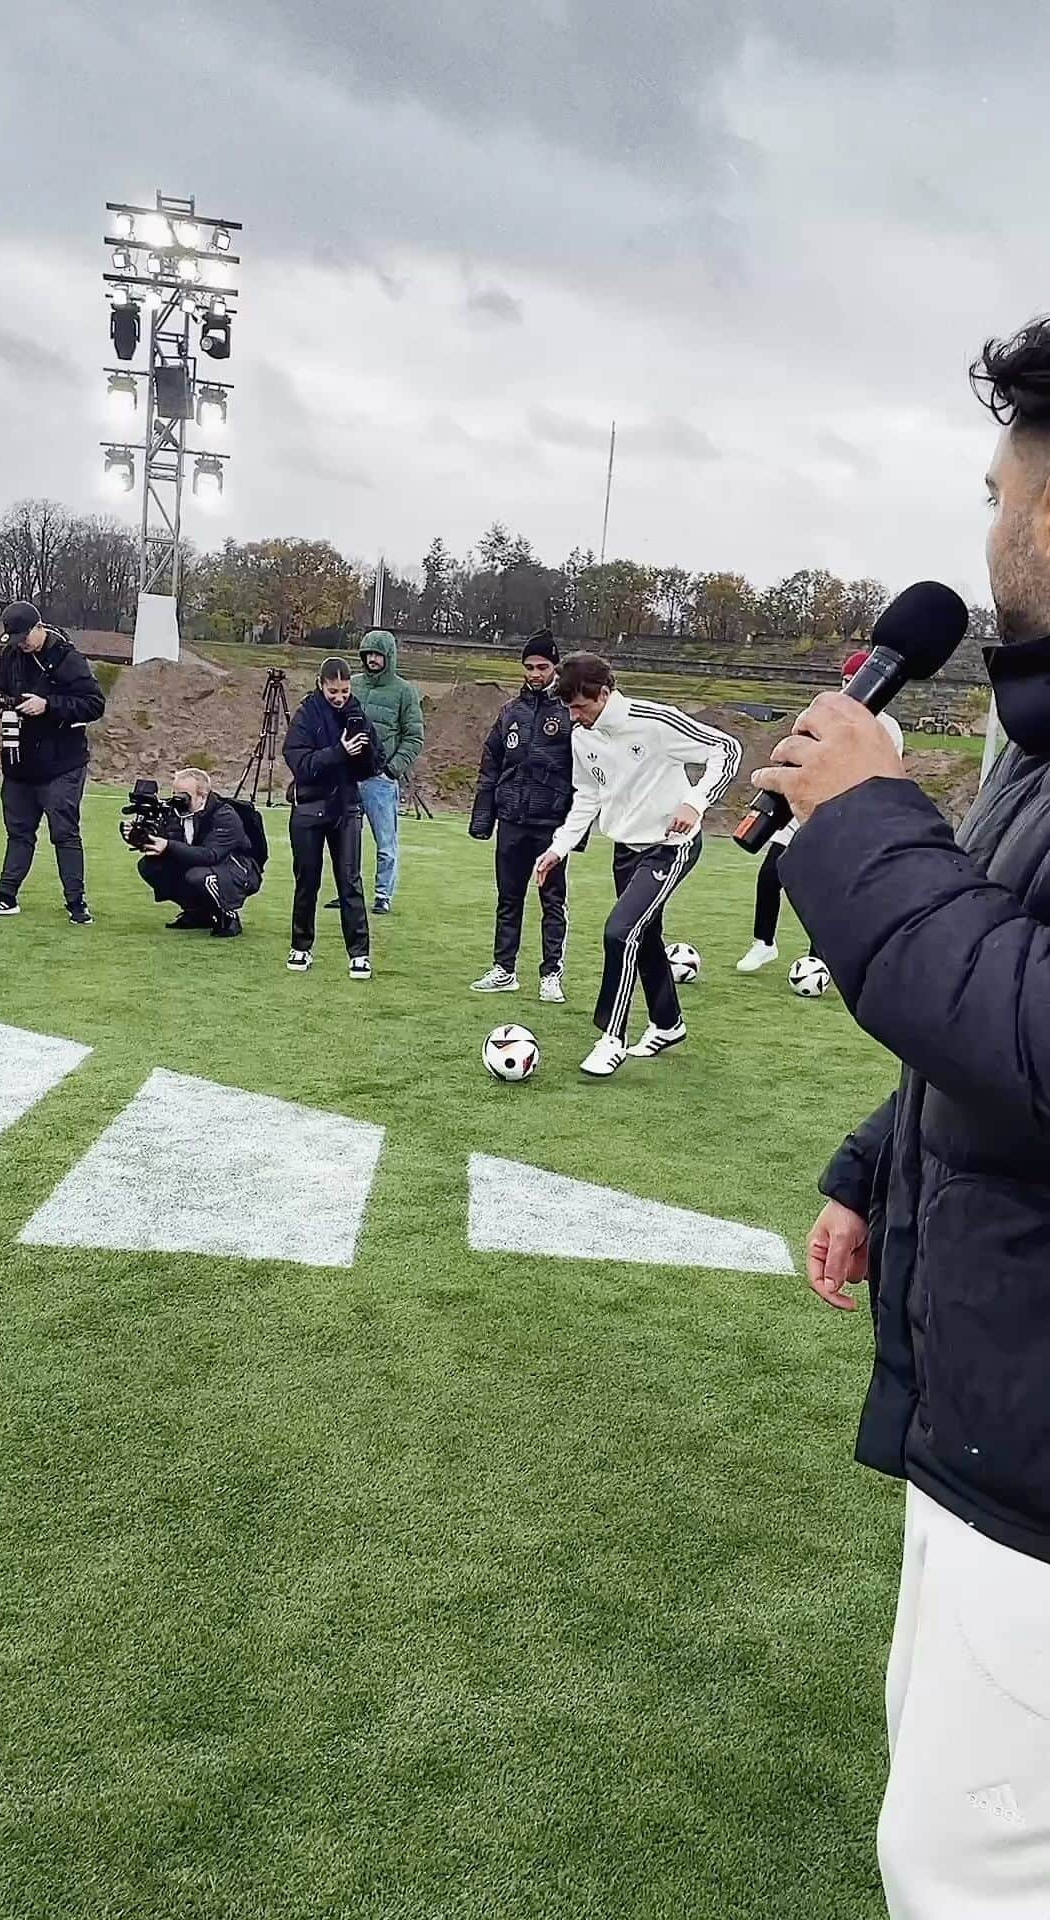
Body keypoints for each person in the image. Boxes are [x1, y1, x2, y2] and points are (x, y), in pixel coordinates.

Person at [750, 317, 1050, 1918]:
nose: (989, 528)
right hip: (992, 1395)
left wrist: (867, 830)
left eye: (1002, 487)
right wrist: (877, 1163)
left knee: (969, 1879)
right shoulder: (1038, 741)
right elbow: (1002, 979)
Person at [535, 652, 741, 1076]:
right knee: (643, 937)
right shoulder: (582, 736)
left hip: (671, 845)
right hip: (625, 849)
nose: (574, 717)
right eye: (569, 708)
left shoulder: (656, 721)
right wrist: (558, 848)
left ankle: (611, 1038)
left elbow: (727, 748)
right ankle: (668, 1024)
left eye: (580, 706)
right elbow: (587, 796)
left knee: (620, 932)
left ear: (605, 693)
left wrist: (695, 801)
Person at [736, 652, 905, 974]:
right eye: (844, 681)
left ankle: (817, 957)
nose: (848, 689)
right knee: (770, 875)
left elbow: (884, 773)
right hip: (798, 804)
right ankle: (763, 944)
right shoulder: (821, 716)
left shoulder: (886, 729)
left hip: (840, 815)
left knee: (825, 888)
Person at [0, 602, 105, 924]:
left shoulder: (67, 659)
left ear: (39, 626)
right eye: (14, 638)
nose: (21, 643)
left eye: (24, 636)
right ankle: (5, 896)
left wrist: (48, 705)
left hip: (63, 763)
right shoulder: (10, 657)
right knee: (18, 832)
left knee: (64, 833)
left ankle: (76, 903)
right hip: (18, 761)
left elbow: (94, 704)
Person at [468, 629, 576, 1003]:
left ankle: (551, 974)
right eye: (529, 666)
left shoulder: (569, 715)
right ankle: (504, 970)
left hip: (551, 825)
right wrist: (484, 818)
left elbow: (586, 776)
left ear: (555, 668)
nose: (534, 673)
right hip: (512, 820)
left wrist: (576, 833)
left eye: (542, 667)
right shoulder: (510, 713)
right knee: (509, 898)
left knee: (552, 901)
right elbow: (490, 766)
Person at [284, 656, 383, 977]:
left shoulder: (357, 714)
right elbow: (300, 763)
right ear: (320, 684)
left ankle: (359, 954)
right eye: (333, 691)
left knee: (350, 881)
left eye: (344, 690)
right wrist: (338, 753)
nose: (340, 697)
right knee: (307, 880)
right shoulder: (306, 715)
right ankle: (300, 947)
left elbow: (372, 766)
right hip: (309, 808)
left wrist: (364, 751)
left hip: (346, 808)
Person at [129, 768, 263, 937]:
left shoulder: (225, 814)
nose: (177, 799)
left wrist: (168, 846)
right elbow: (168, 844)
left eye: (183, 795)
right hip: (202, 864)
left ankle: (228, 915)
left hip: (238, 869)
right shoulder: (175, 812)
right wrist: (138, 837)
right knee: (150, 866)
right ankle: (196, 912)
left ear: (202, 795)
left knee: (198, 876)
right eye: (174, 793)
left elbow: (211, 854)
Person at [346, 630, 425, 913]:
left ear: (388, 656)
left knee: (385, 842)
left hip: (379, 779)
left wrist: (392, 770)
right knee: (345, 840)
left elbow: (414, 737)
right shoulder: (352, 685)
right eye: (368, 654)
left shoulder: (404, 691)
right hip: (346, 777)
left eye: (378, 654)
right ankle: (348, 890)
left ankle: (383, 895)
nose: (373, 660)